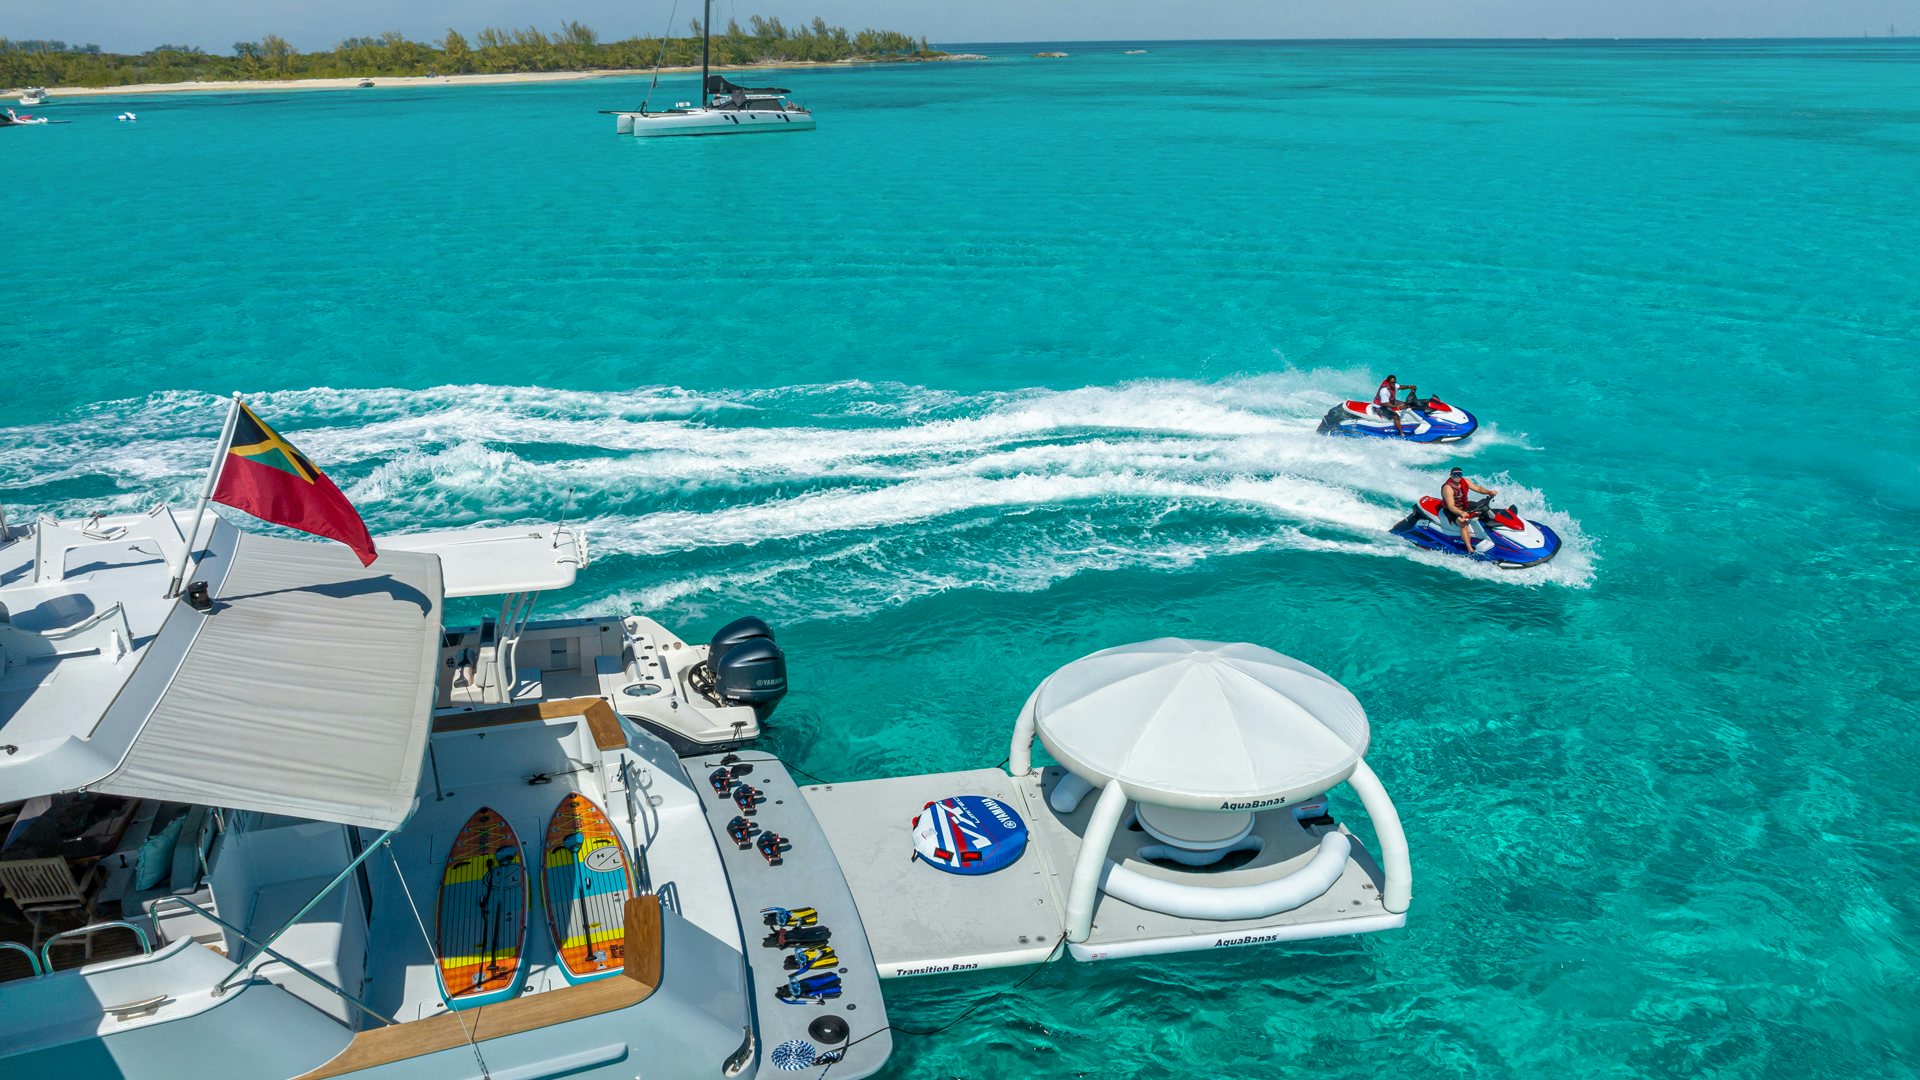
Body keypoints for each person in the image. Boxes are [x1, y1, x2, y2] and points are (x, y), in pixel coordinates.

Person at [1441, 466, 1497, 554]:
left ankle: (1495, 533)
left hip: (1465, 505)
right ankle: (1470, 548)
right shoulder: (1447, 488)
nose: (1457, 477)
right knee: (1463, 524)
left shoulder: (1465, 481)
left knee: (1484, 509)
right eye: (1455, 475)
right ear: (1451, 475)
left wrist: (1489, 492)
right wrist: (1461, 512)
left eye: (1459, 474)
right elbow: (1451, 506)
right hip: (1453, 510)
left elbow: (1478, 488)